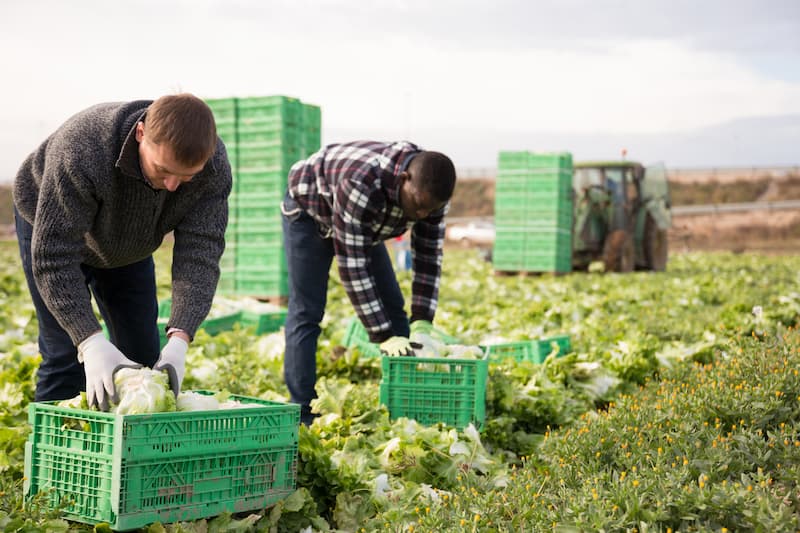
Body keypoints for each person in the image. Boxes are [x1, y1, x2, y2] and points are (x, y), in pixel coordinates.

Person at [13, 93, 232, 410]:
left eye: (186, 177)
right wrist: (89, 340)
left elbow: (201, 251)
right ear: (141, 133)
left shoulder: (213, 168)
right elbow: (54, 258)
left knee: (142, 357)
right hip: (51, 225)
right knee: (65, 355)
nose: (172, 186)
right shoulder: (83, 147)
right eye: (162, 170)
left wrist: (181, 337)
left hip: (129, 244)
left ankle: (126, 454)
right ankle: (58, 454)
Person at [281, 140, 456, 425]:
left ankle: (404, 399)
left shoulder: (430, 195)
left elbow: (428, 257)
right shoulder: (361, 182)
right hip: (309, 212)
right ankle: (302, 411)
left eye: (431, 210)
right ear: (403, 179)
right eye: (419, 206)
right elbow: (352, 265)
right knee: (307, 311)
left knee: (393, 308)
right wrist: (382, 335)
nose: (422, 215)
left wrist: (423, 318)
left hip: (363, 224)